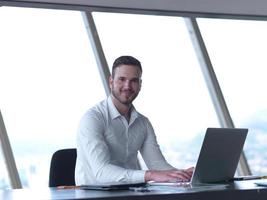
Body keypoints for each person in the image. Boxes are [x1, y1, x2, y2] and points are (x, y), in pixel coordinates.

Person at [75, 55, 193, 185]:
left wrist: (183, 174)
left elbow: (157, 164)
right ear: (111, 82)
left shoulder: (143, 123)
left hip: (130, 193)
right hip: (94, 195)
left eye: (134, 81)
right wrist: (150, 175)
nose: (128, 86)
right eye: (122, 79)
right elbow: (101, 172)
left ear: (140, 85)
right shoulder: (93, 119)